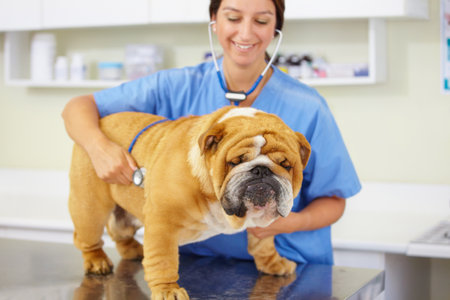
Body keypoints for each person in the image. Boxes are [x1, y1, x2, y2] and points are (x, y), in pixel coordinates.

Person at [62, 0, 361, 265]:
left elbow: (334, 200)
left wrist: (287, 222)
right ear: (214, 22)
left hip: (287, 266)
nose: (245, 33)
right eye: (233, 18)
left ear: (275, 29)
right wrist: (98, 148)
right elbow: (78, 107)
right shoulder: (177, 86)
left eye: (261, 20)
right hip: (194, 263)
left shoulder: (308, 107)